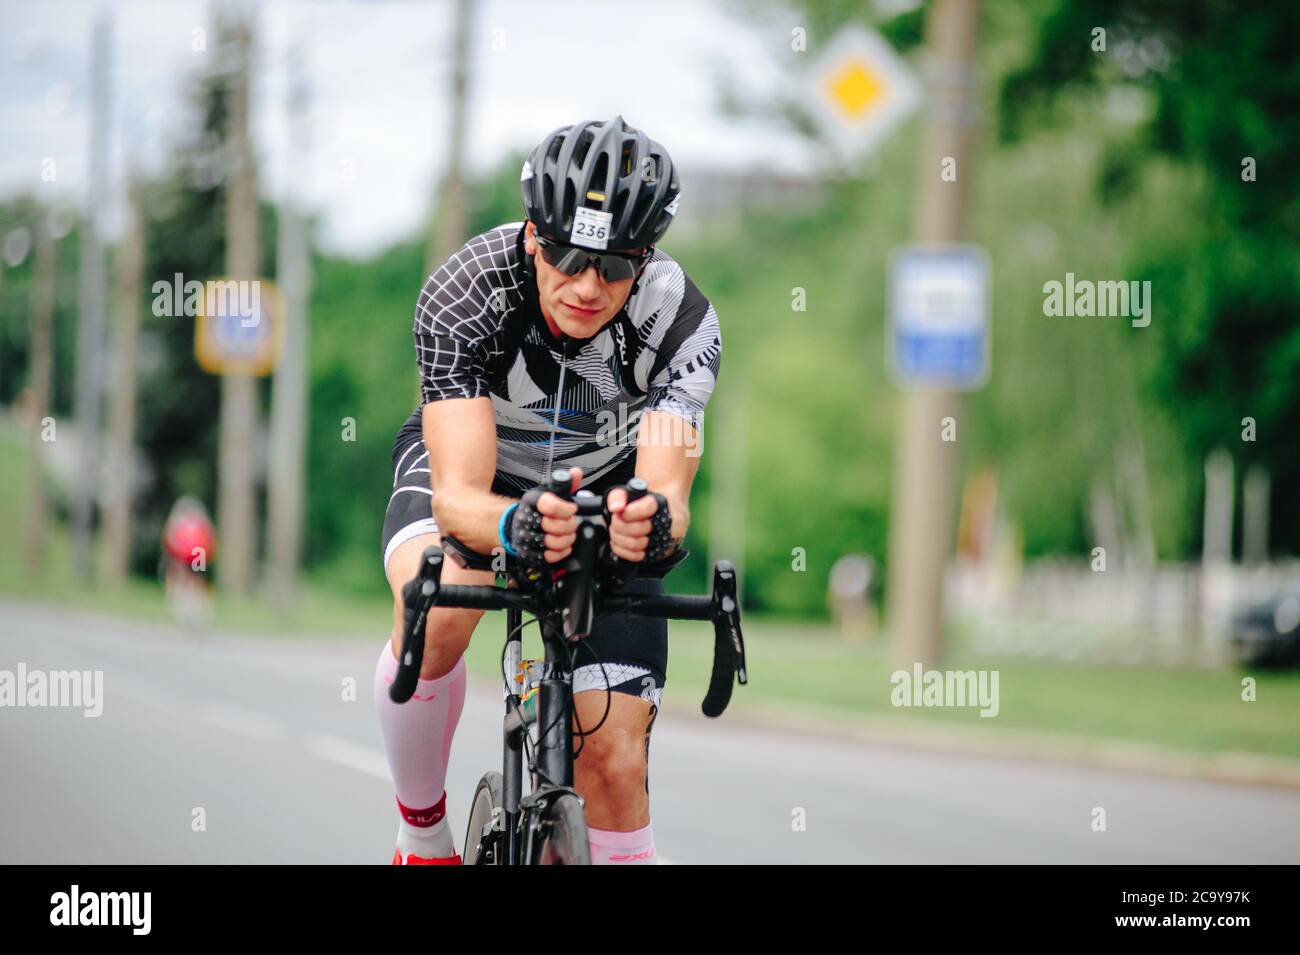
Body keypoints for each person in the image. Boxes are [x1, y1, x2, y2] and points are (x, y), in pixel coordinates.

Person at [375, 117, 721, 865]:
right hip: (479, 476)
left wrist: (653, 523)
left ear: (647, 257)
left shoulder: (681, 320)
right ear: (533, 236)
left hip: (605, 491)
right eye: (566, 256)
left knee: (617, 763)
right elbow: (459, 493)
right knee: (431, 613)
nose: (588, 286)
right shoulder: (468, 288)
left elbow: (668, 489)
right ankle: (422, 835)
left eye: (616, 266)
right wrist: (512, 527)